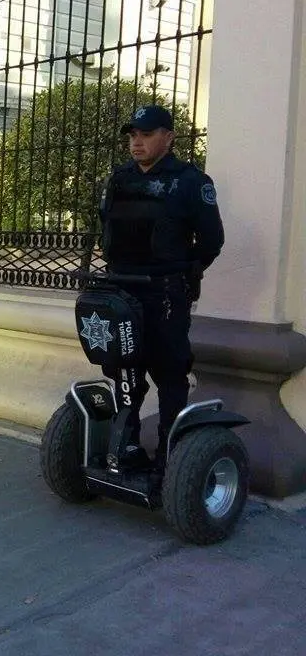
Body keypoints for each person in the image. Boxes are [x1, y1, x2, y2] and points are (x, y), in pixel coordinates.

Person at [99, 105, 224, 470]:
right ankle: (129, 446)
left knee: (169, 369)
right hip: (121, 289)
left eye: (146, 134)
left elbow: (212, 240)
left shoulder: (190, 182)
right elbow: (108, 227)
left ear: (168, 138)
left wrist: (184, 272)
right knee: (122, 368)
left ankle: (171, 454)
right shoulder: (119, 179)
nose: (136, 142)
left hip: (164, 293)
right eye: (133, 135)